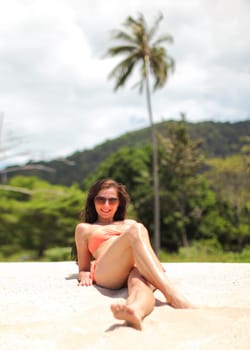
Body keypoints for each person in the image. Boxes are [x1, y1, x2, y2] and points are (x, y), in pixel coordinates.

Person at [74, 178, 194, 330]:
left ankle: (135, 311)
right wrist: (83, 272)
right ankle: (172, 295)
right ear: (93, 201)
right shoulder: (84, 229)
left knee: (139, 284)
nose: (106, 205)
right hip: (109, 271)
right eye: (101, 199)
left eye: (112, 200)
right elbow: (83, 267)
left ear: (119, 203)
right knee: (137, 229)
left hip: (137, 268)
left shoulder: (129, 224)